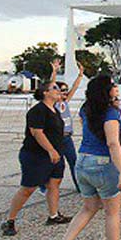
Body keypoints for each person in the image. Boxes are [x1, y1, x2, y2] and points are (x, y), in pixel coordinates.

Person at [50, 75, 121, 240]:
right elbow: (113, 143)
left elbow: (85, 127)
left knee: (89, 208)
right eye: (112, 85)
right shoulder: (110, 113)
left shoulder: (86, 109)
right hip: (102, 163)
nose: (115, 87)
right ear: (106, 90)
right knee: (112, 212)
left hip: (83, 161)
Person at [1, 81, 72, 236]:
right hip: (36, 155)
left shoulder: (55, 110)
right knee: (28, 188)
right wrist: (51, 150)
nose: (58, 90)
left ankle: (53, 216)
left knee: (54, 184)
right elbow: (37, 132)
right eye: (55, 88)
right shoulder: (37, 111)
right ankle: (10, 220)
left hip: (55, 155)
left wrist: (57, 152)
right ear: (45, 92)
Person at [40, 59, 84, 194]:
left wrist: (81, 75)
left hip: (67, 138)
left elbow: (75, 88)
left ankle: (79, 186)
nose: (65, 93)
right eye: (62, 91)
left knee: (74, 162)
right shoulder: (53, 104)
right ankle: (43, 185)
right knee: (53, 163)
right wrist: (54, 71)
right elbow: (51, 85)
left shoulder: (66, 102)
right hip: (56, 138)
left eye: (65, 91)